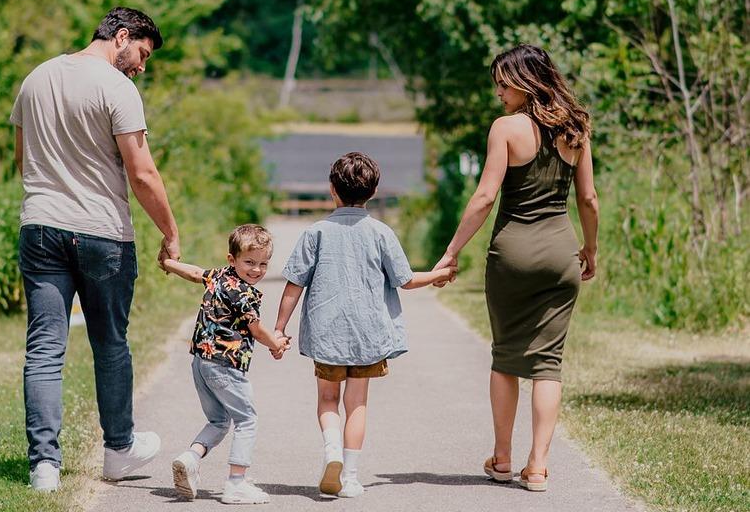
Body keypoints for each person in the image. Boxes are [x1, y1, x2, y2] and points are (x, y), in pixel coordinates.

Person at [11, 6, 181, 492]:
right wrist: (170, 232)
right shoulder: (117, 88)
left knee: (44, 348)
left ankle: (44, 466)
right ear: (121, 36)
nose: (141, 66)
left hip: (40, 227)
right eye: (142, 54)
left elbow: (24, 160)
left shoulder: (35, 78)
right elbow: (142, 174)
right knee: (109, 344)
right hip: (102, 233)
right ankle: (119, 450)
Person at [432, 43, 599, 492]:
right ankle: (538, 467)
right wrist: (591, 250)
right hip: (561, 254)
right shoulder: (577, 128)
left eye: (503, 83)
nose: (499, 93)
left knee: (506, 356)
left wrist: (451, 250)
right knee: (548, 363)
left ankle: (502, 458)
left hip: (512, 254)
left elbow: (486, 196)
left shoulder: (506, 129)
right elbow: (588, 199)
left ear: (525, 82)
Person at [273, 152, 458, 498]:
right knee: (356, 403)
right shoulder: (381, 233)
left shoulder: (316, 232)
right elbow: (405, 281)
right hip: (368, 335)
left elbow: (293, 285)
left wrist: (279, 329)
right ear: (373, 192)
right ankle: (352, 477)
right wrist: (440, 274)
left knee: (328, 401)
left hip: (328, 334)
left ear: (332, 189)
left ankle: (330, 452)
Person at [160, 224, 289, 505]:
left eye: (263, 264)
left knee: (219, 420)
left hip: (201, 363)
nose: (256, 270)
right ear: (232, 259)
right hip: (225, 366)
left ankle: (190, 457)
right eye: (249, 262)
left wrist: (169, 263)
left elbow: (194, 273)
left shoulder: (218, 276)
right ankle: (236, 483)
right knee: (247, 419)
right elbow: (256, 329)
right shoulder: (246, 293)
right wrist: (277, 344)